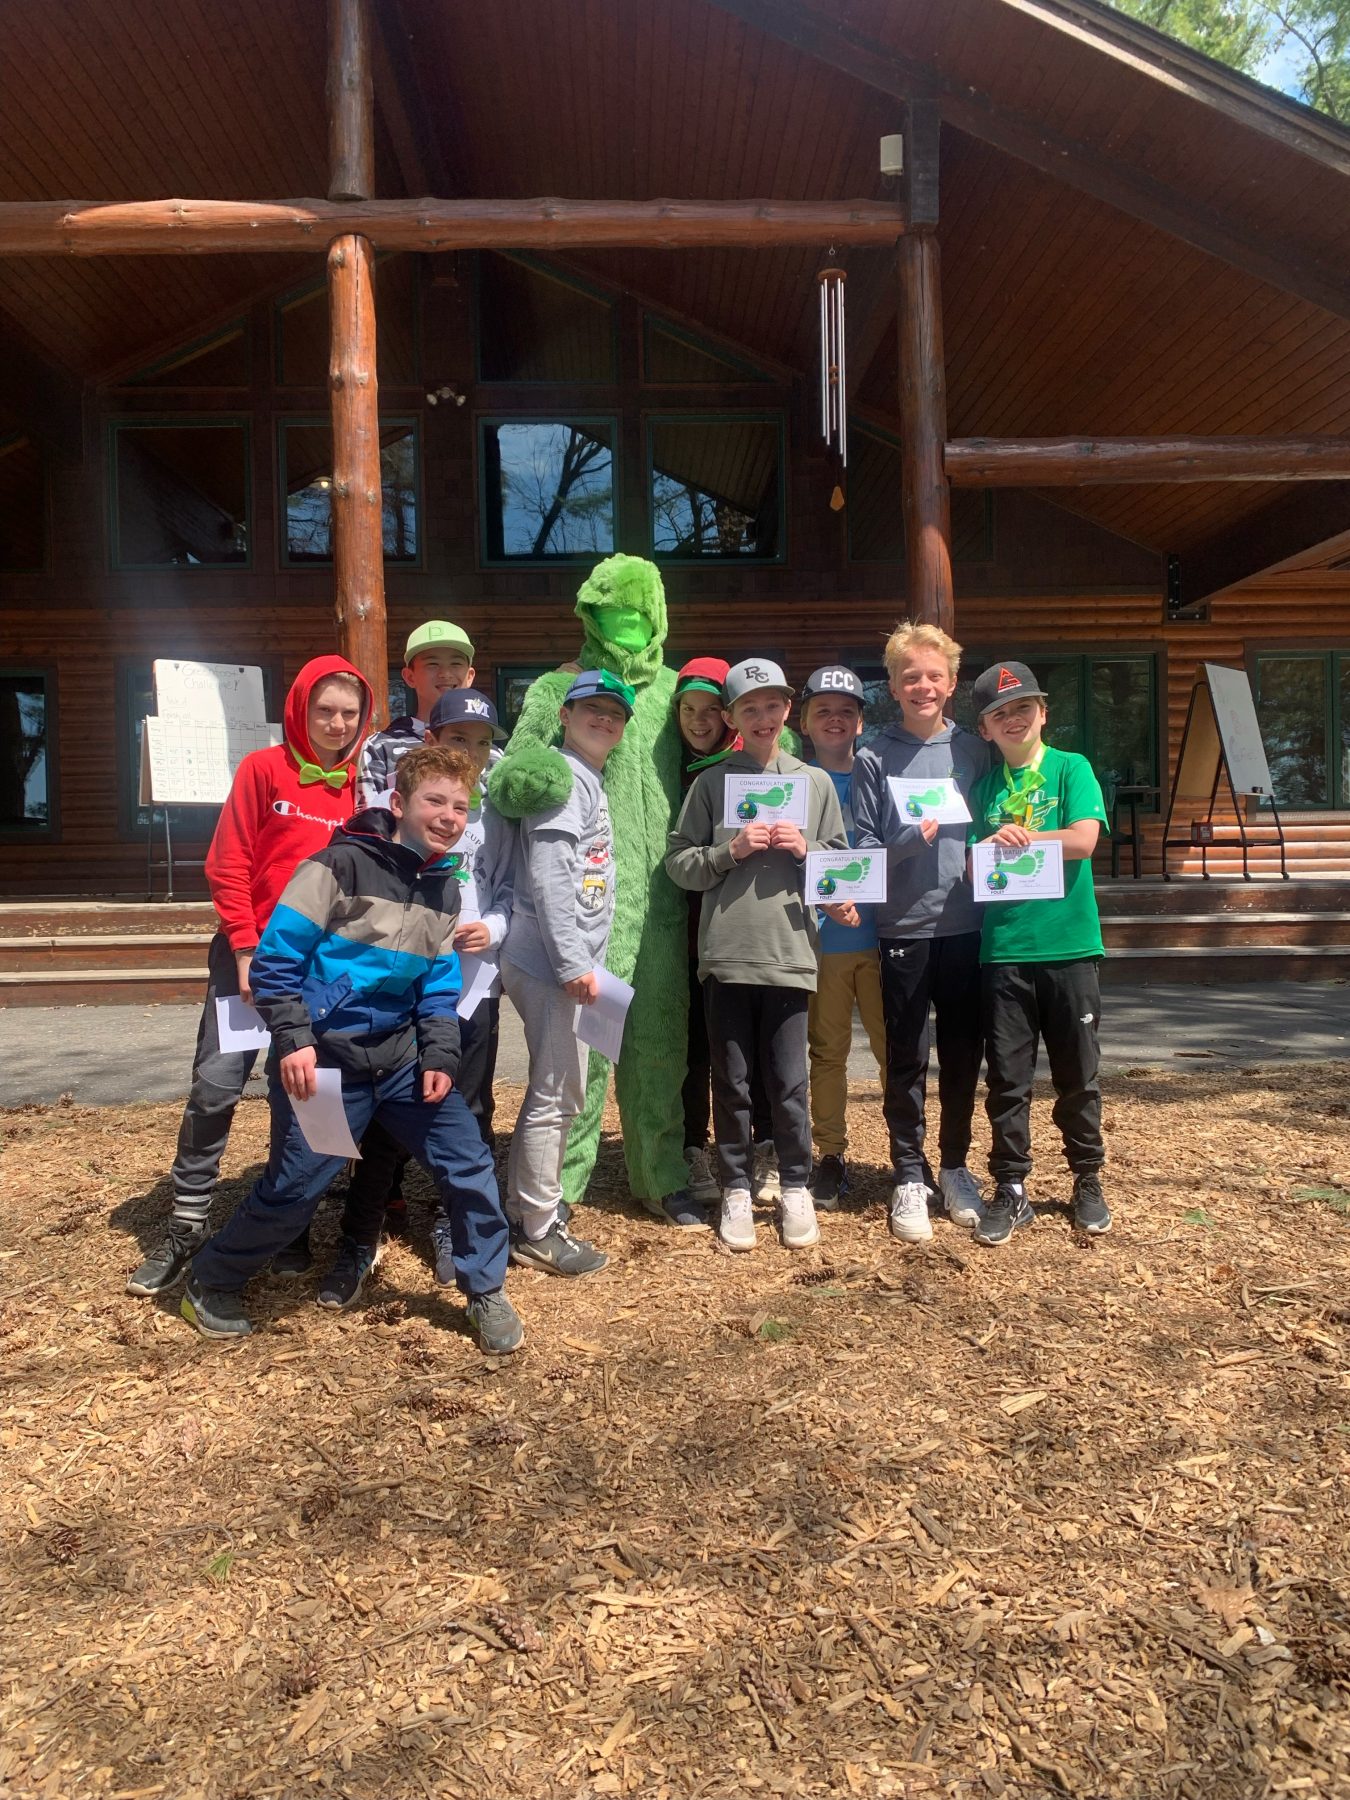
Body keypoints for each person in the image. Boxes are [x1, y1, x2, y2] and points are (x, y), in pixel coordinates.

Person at [179, 744, 524, 1355]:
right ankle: (210, 1282)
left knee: (467, 1163)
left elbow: (439, 988)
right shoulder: (337, 866)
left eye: (460, 807)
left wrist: (440, 1057)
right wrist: (293, 1042)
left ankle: (485, 1288)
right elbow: (277, 964)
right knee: (296, 1187)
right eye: (434, 801)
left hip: (399, 1063)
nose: (448, 816)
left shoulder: (445, 887)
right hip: (325, 1061)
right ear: (398, 804)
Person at [126, 657, 372, 1299]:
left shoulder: (363, 788)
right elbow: (228, 863)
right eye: (325, 711)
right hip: (251, 959)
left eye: (349, 713)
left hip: (320, 972)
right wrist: (243, 947)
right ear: (299, 709)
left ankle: (290, 1221)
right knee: (217, 1086)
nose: (338, 724)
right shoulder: (263, 770)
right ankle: (186, 1224)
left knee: (304, 1092)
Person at [490, 558, 693, 1227]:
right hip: (585, 910)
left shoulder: (675, 690)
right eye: (612, 617)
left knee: (660, 1049)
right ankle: (562, 1186)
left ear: (660, 618)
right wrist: (530, 776)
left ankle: (660, 1175)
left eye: (639, 618)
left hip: (664, 902)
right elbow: (514, 771)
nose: (627, 630)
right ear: (589, 617)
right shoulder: (559, 688)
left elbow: (722, 748)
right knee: (582, 1055)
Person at [319, 688, 516, 1307]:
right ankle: (365, 1226)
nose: (473, 752)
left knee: (469, 1103)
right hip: (405, 984)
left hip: (473, 981)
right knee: (385, 1118)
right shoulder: (402, 811)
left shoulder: (493, 815)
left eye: (483, 743)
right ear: (433, 743)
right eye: (459, 739)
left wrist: (498, 928)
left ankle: (451, 1226)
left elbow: (510, 889)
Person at [666, 659, 848, 1254]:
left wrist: (808, 849)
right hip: (727, 956)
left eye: (772, 706)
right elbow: (678, 863)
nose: (762, 717)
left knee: (789, 1082)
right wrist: (728, 849)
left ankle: (795, 1183)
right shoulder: (713, 783)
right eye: (749, 708)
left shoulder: (815, 784)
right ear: (732, 718)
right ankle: (737, 1185)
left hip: (791, 952)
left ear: (787, 710)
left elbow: (841, 867)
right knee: (733, 1081)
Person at [853, 622, 992, 1243]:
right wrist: (909, 841)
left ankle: (956, 1166)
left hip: (968, 926)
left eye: (934, 675)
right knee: (906, 1058)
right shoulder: (873, 756)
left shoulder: (975, 751)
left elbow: (1001, 819)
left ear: (952, 682)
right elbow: (859, 849)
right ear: (893, 684)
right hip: (902, 928)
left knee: (964, 1056)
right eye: (911, 676)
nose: (923, 685)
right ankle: (909, 1173)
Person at [965, 659, 1112, 1248]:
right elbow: (972, 864)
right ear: (985, 730)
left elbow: (1084, 838)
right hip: (1003, 950)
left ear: (1043, 713)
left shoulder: (1070, 768)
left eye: (1023, 707)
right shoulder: (982, 789)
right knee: (1007, 1080)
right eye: (1000, 713)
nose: (1014, 718)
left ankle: (1087, 1178)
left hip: (1070, 947)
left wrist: (1024, 837)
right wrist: (982, 845)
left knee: (1078, 1074)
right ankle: (1011, 1188)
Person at [501, 670, 631, 1275]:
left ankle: (529, 1204)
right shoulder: (562, 778)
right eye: (591, 710)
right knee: (556, 1092)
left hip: (564, 961)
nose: (603, 720)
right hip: (552, 963)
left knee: (562, 1090)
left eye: (615, 713)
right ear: (565, 716)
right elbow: (552, 875)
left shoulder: (585, 776)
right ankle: (537, 1226)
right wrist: (575, 962)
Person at [670, 657, 776, 1215]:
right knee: (695, 1049)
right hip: (679, 926)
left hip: (741, 927)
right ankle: (693, 1146)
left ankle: (763, 1145)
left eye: (711, 711)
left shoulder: (756, 768)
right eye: (688, 710)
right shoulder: (665, 763)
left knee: (752, 1050)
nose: (699, 721)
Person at [798, 665, 888, 1210]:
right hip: (823, 942)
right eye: (823, 711)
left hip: (886, 939)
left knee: (895, 1054)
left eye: (847, 711)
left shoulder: (881, 774)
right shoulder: (793, 782)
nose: (836, 720)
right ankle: (830, 1155)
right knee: (827, 1054)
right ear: (804, 721)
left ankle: (908, 1150)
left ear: (860, 722)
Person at [357, 619, 476, 809]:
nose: (445, 673)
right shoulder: (380, 747)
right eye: (432, 664)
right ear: (409, 677)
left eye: (455, 663)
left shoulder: (491, 753)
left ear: (470, 676)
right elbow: (368, 823)